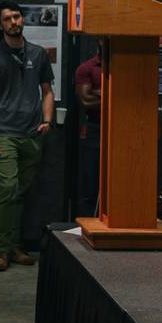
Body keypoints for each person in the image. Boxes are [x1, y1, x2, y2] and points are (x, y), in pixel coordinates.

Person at [0, 1, 54, 272]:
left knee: (19, 192)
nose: (14, 22)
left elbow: (47, 91)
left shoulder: (37, 53)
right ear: (1, 24)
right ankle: (1, 250)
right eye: (8, 19)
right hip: (5, 133)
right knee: (8, 189)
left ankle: (13, 246)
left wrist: (47, 120)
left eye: (17, 17)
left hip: (32, 133)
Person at [74, 42, 102, 217]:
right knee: (90, 182)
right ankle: (85, 225)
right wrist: (115, 96)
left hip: (123, 130)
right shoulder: (86, 68)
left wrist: (100, 92)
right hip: (95, 129)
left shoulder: (124, 68)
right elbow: (86, 101)